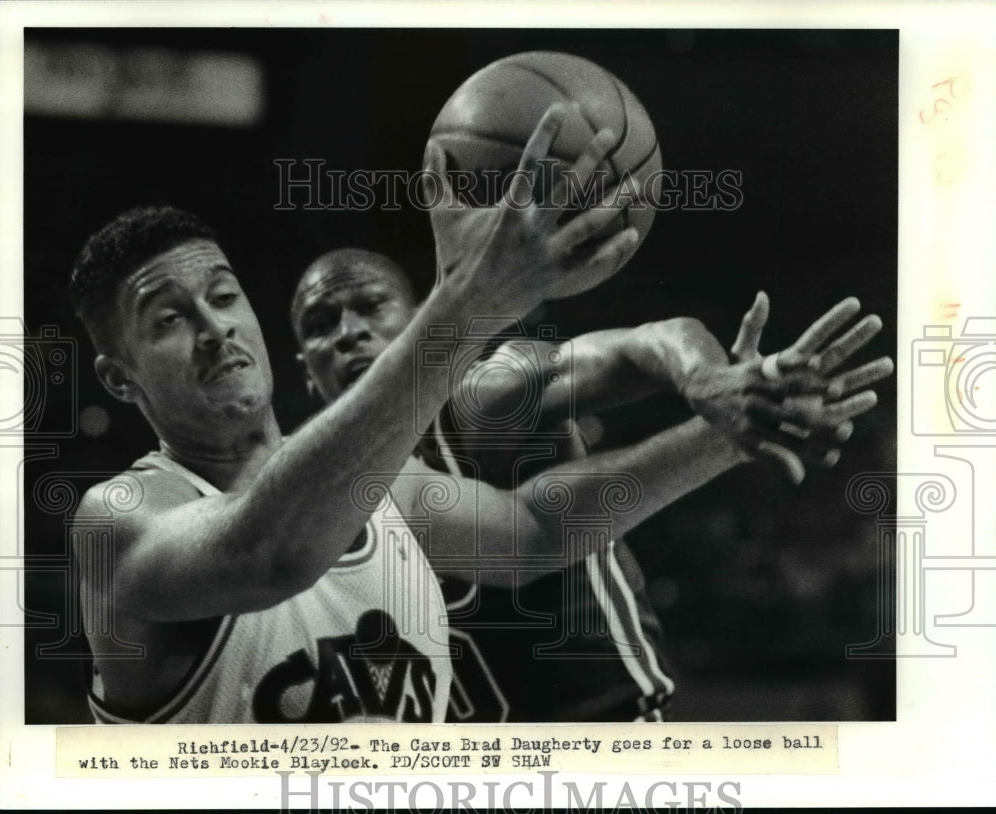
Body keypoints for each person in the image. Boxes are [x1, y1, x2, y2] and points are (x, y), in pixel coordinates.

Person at [69, 104, 642, 723]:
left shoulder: (384, 483)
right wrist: (469, 302)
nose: (214, 328)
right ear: (120, 380)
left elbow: (536, 533)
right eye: (169, 319)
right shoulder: (117, 519)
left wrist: (726, 429)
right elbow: (272, 553)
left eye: (224, 295)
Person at [290, 243, 892, 722]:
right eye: (322, 323)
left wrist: (708, 381)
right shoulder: (296, 498)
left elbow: (642, 345)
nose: (347, 332)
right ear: (306, 372)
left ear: (422, 321)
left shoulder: (481, 396)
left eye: (370, 307)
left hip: (606, 736)